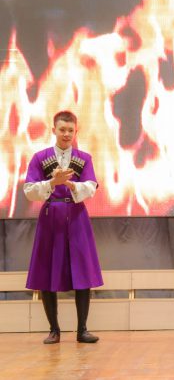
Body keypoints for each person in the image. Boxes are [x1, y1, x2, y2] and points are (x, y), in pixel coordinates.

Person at [24, 111, 102, 344]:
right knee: (47, 272)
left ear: (76, 131)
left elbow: (91, 186)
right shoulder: (40, 158)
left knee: (82, 272)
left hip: (77, 216)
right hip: (51, 217)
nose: (66, 134)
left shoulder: (84, 158)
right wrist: (52, 182)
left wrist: (70, 184)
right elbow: (29, 190)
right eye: (62, 129)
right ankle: (54, 330)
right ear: (54, 130)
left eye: (70, 130)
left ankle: (82, 330)